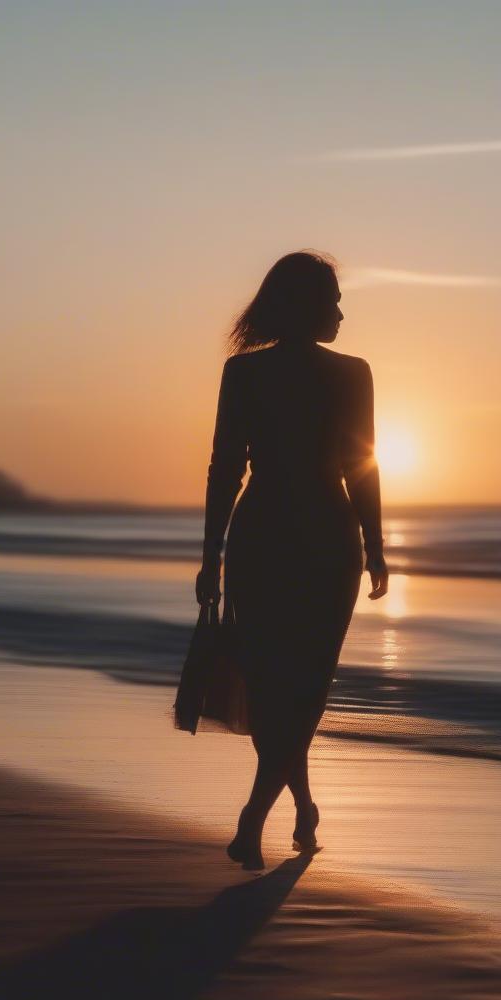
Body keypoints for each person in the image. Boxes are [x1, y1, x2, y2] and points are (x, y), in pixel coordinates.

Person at [196, 250, 389, 870]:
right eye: (331, 298)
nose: (340, 310)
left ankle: (286, 809)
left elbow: (227, 471)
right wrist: (376, 546)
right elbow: (363, 467)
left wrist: (212, 554)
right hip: (326, 537)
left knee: (285, 686)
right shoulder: (349, 374)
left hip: (265, 533)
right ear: (306, 305)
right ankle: (265, 815)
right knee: (299, 686)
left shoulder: (247, 374)